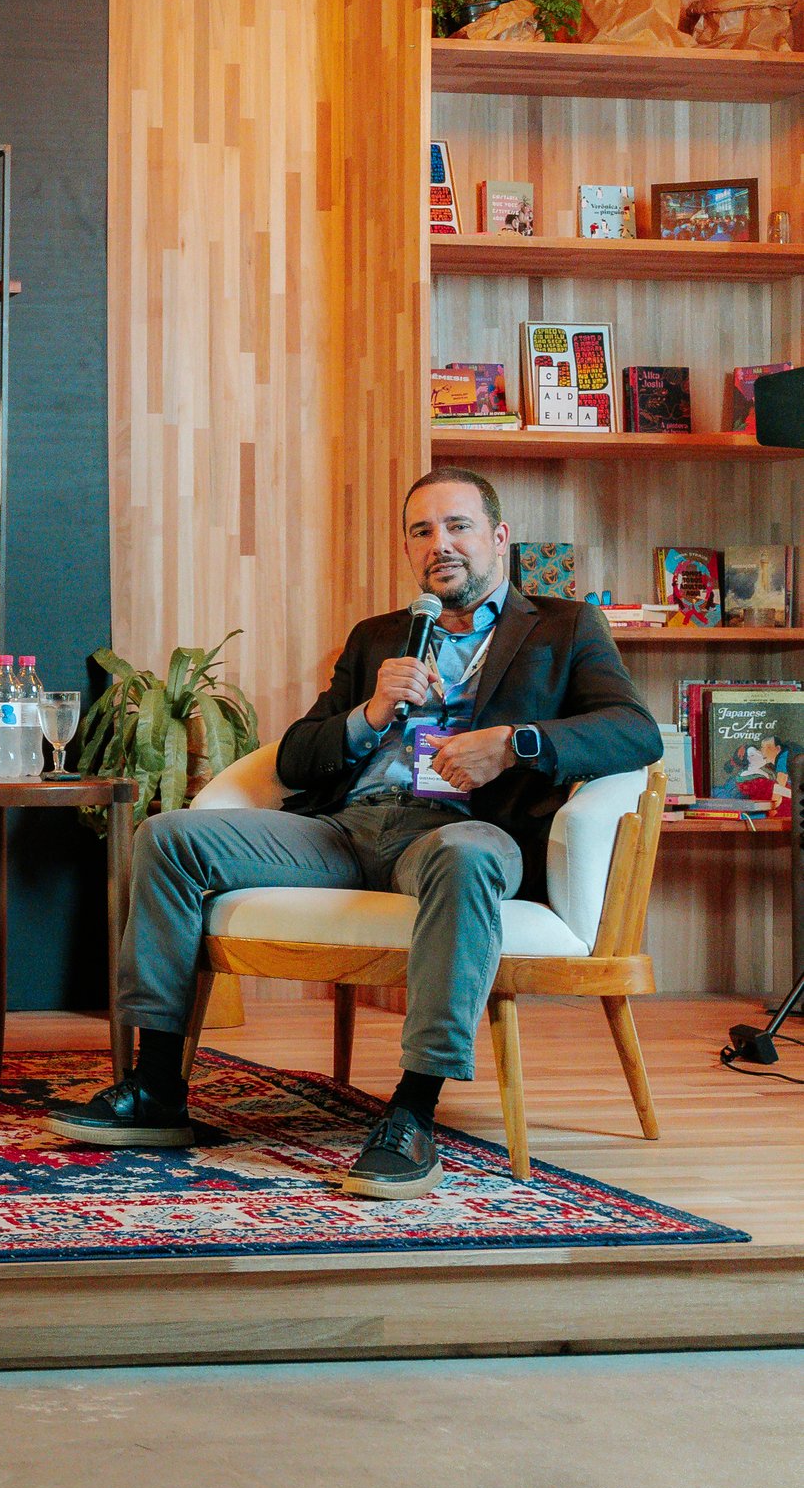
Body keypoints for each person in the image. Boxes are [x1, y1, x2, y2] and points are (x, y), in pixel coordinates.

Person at [45, 468, 661, 1198]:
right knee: (169, 837)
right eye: (422, 531)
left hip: (465, 830)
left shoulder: (564, 626)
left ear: (499, 537)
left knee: (464, 857)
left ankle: (412, 1112)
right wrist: (369, 714)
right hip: (345, 829)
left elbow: (635, 731)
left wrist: (512, 743)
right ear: (408, 550)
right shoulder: (379, 637)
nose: (440, 544)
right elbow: (296, 757)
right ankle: (156, 1088)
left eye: (458, 526)